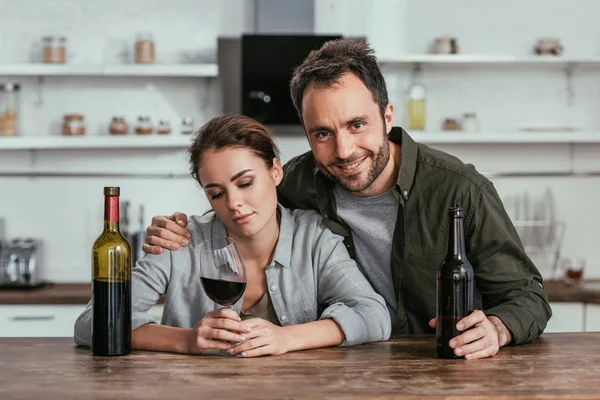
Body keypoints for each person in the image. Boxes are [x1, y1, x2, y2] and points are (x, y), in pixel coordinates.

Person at [143, 39, 552, 360]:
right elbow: (239, 203)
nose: (343, 150)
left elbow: (529, 297)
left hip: (441, 364)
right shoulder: (299, 180)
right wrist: (179, 228)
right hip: (344, 367)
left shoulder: (459, 188)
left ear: (387, 116)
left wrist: (497, 328)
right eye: (322, 133)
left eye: (357, 124)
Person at [74, 114, 391, 357]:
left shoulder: (313, 238)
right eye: (216, 193)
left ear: (275, 171)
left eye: (245, 183)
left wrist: (287, 338)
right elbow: (92, 323)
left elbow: (374, 316)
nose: (234, 204)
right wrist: (185, 340)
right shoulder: (181, 241)